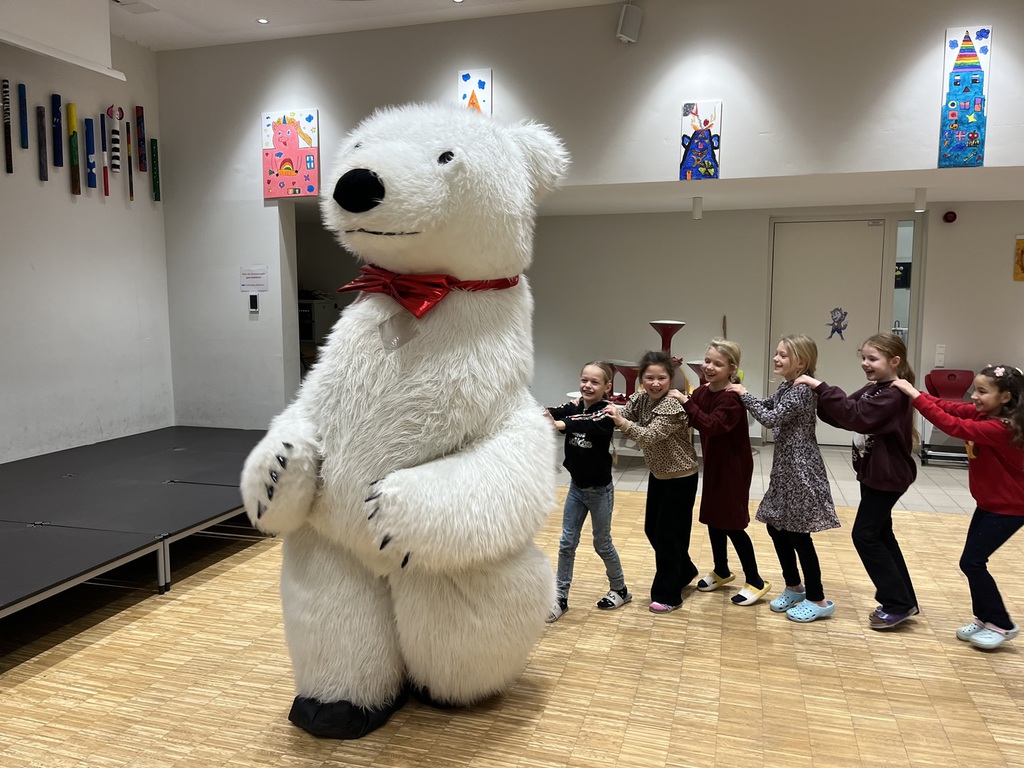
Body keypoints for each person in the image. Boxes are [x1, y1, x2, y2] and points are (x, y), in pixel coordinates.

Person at [892, 364, 1024, 649]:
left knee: (972, 562)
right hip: (990, 504)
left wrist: (913, 396)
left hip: (1010, 508)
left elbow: (954, 425)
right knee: (973, 562)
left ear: (1005, 397)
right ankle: (985, 618)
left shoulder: (1002, 427)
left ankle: (1002, 624)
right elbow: (949, 408)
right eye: (974, 390)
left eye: (982, 391)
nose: (974, 396)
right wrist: (915, 392)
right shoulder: (984, 413)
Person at [795, 332, 919, 630]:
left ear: (895, 361)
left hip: (888, 476)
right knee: (881, 534)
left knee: (865, 535)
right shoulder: (875, 388)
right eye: (863, 357)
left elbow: (858, 416)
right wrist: (819, 398)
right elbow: (844, 414)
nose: (865, 363)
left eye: (872, 359)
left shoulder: (894, 394)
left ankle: (897, 603)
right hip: (875, 474)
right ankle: (904, 599)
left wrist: (821, 387)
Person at [728, 334, 840, 622]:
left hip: (800, 470)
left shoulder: (801, 390)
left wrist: (743, 394)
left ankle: (818, 599)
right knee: (776, 527)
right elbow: (768, 405)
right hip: (785, 469)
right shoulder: (787, 385)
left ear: (800, 362)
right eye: (777, 353)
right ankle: (794, 586)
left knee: (799, 535)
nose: (776, 358)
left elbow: (770, 419)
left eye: (783, 355)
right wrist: (740, 394)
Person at [668, 339, 770, 606]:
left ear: (732, 368)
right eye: (707, 361)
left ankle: (756, 580)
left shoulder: (732, 398)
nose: (709, 367)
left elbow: (712, 425)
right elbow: (691, 414)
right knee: (714, 519)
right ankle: (722, 570)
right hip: (714, 465)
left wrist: (685, 401)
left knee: (732, 523)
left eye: (718, 364)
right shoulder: (703, 391)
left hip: (733, 468)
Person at [604, 350, 698, 614]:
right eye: (649, 378)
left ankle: (668, 595)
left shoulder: (672, 405)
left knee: (668, 537)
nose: (655, 383)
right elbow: (625, 412)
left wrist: (621, 421)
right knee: (653, 530)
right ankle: (684, 569)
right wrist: (601, 406)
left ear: (670, 379)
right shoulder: (641, 398)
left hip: (681, 477)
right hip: (659, 475)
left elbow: (648, 436)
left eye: (661, 378)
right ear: (641, 379)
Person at [545, 361, 631, 622]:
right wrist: (539, 413)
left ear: (607, 387)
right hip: (576, 488)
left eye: (595, 382)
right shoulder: (573, 406)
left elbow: (584, 422)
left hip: (600, 491)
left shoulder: (607, 413)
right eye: (584, 380)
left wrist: (560, 425)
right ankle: (560, 597)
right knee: (566, 543)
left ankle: (620, 589)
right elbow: (555, 411)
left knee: (601, 544)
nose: (588, 385)